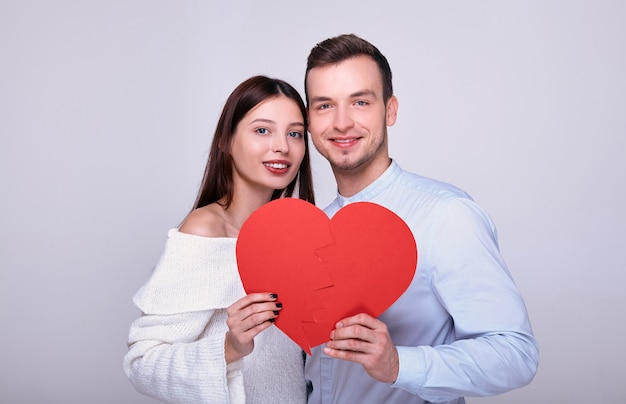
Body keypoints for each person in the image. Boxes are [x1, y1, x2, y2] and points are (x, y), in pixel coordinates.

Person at [303, 34, 539, 403]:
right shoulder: (311, 230)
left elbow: (516, 354)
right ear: (309, 120)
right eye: (324, 106)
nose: (342, 122)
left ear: (390, 110)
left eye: (360, 101)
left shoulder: (445, 215)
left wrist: (399, 365)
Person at [123, 75, 315, 403]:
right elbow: (143, 363)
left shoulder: (297, 236)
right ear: (226, 140)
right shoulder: (204, 232)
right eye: (262, 130)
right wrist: (229, 348)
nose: (282, 146)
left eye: (294, 133)